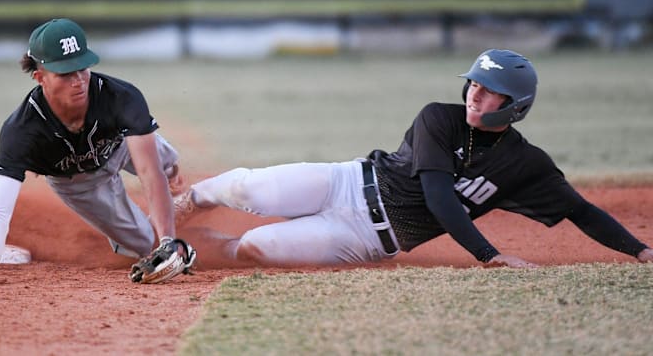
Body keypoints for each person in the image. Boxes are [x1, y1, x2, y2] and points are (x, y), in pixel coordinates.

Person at [173, 49, 653, 268]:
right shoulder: (438, 118)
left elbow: (581, 210)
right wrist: (487, 255)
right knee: (246, 188)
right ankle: (184, 205)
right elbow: (438, 196)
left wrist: (641, 250)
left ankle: (199, 250)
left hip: (364, 238)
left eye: (490, 93)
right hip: (344, 182)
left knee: (258, 248)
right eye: (475, 84)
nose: (476, 95)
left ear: (515, 107)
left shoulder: (527, 165)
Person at [0, 18, 195, 285]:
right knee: (145, 241)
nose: (78, 81)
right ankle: (153, 223)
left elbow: (148, 172)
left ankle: (173, 188)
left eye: (82, 68)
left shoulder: (120, 96)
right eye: (65, 73)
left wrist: (169, 241)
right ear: (40, 77)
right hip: (80, 182)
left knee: (164, 164)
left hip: (120, 145)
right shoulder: (21, 131)